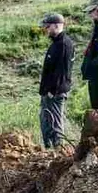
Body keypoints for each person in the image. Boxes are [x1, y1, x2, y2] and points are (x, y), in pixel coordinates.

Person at [38, 13, 75, 149]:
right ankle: (49, 149)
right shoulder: (56, 43)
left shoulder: (64, 44)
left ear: (57, 26)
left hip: (55, 92)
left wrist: (52, 91)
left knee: (55, 122)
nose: (46, 29)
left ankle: (59, 150)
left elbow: (61, 72)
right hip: (49, 92)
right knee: (46, 121)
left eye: (48, 26)